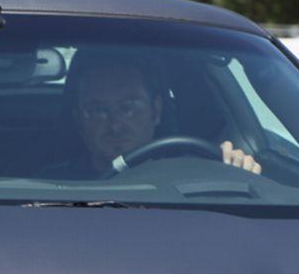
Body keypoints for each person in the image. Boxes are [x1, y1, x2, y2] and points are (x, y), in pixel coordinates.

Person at [41, 52, 262, 179]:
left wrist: (242, 178)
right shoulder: (49, 187)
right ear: (79, 120)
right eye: (98, 111)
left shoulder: (197, 178)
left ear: (156, 111)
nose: (115, 125)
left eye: (128, 107)